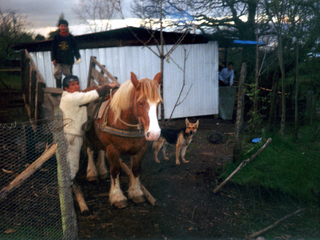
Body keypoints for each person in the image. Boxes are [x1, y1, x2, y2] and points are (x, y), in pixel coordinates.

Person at [59, 75, 119, 181]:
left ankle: (66, 183)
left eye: (77, 83)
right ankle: (66, 186)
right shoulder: (72, 98)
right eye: (73, 85)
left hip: (71, 133)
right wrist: (109, 86)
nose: (77, 86)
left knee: (69, 161)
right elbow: (91, 95)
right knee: (72, 164)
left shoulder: (70, 97)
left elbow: (86, 99)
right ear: (66, 88)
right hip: (72, 135)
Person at [51, 19, 81, 88]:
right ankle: (58, 89)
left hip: (68, 60)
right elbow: (53, 48)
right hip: (58, 59)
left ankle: (69, 89)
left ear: (67, 27)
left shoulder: (70, 37)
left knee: (68, 75)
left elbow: (75, 48)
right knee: (57, 73)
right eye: (62, 26)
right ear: (59, 27)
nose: (63, 27)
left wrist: (77, 57)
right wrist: (53, 58)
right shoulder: (56, 37)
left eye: (65, 26)